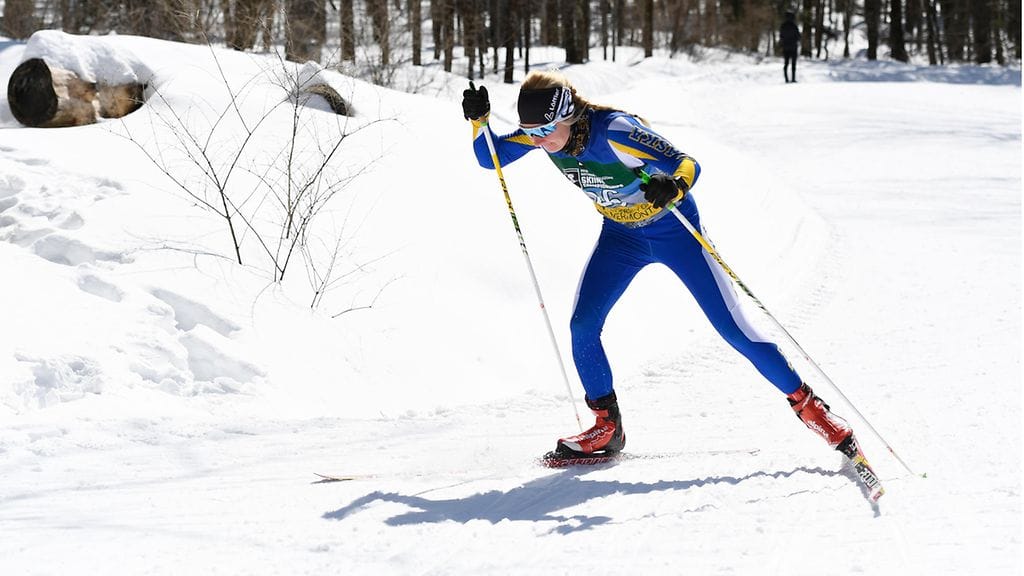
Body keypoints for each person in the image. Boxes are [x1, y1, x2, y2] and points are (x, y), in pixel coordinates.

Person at [461, 71, 856, 460]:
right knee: (582, 325)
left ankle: (811, 408)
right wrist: (479, 120)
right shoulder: (543, 136)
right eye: (529, 132)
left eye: (545, 129)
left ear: (567, 115)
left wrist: (675, 185)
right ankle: (606, 427)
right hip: (620, 238)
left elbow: (686, 162)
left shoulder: (615, 129)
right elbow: (488, 157)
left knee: (732, 329)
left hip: (675, 233)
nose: (538, 140)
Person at [780, 12, 801, 83]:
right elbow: (798, 36)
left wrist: (782, 44)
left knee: (786, 63)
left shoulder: (783, 26)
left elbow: (781, 36)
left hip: (786, 47)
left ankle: (786, 79)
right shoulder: (794, 26)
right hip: (793, 47)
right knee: (793, 64)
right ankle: (793, 79)